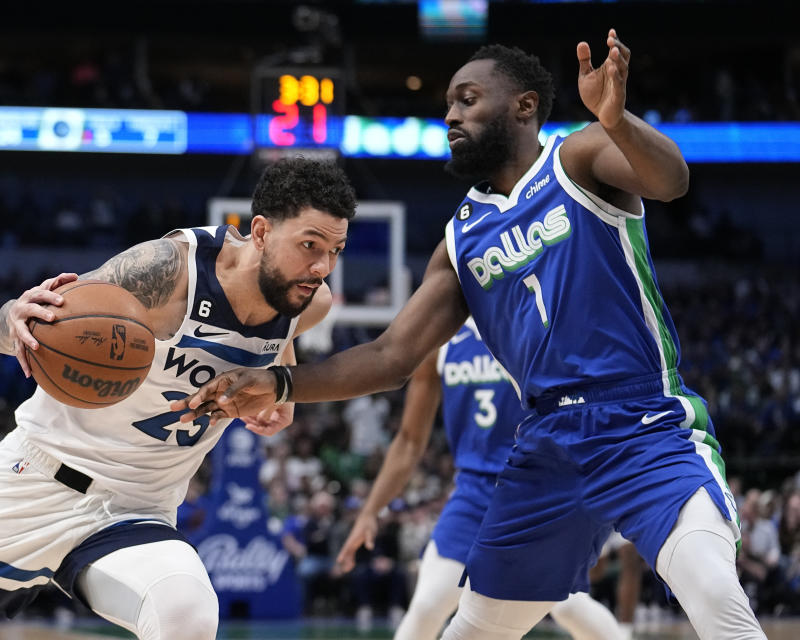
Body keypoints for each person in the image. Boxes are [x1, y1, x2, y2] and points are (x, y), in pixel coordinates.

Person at [176, 31, 767, 639]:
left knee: (714, 590)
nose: (452, 116)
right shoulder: (460, 238)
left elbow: (671, 180)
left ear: (524, 105)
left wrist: (618, 121)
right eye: (449, 106)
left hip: (639, 422)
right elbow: (390, 356)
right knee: (472, 629)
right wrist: (278, 381)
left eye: (467, 100)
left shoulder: (580, 159)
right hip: (546, 443)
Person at [0, 157, 357, 640]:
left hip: (138, 510)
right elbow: (15, 326)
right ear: (260, 231)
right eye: (309, 245)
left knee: (187, 613)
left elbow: (281, 353)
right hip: (34, 484)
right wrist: (13, 318)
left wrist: (284, 394)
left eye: (336, 250)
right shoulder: (170, 270)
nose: (322, 267)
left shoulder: (307, 302)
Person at [336, 318, 624, 640]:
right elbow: (409, 440)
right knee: (428, 604)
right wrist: (370, 511)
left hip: (536, 489)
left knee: (567, 606)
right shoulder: (441, 338)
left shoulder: (539, 319)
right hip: (473, 493)